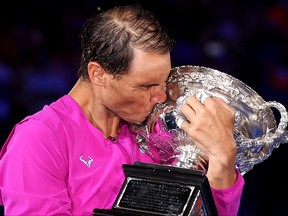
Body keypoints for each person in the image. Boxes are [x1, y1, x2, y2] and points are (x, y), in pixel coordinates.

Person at [0, 4, 244, 216]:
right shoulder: (39, 139)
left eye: (162, 83)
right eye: (146, 86)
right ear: (98, 74)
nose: (160, 97)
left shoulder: (160, 131)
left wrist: (222, 157)